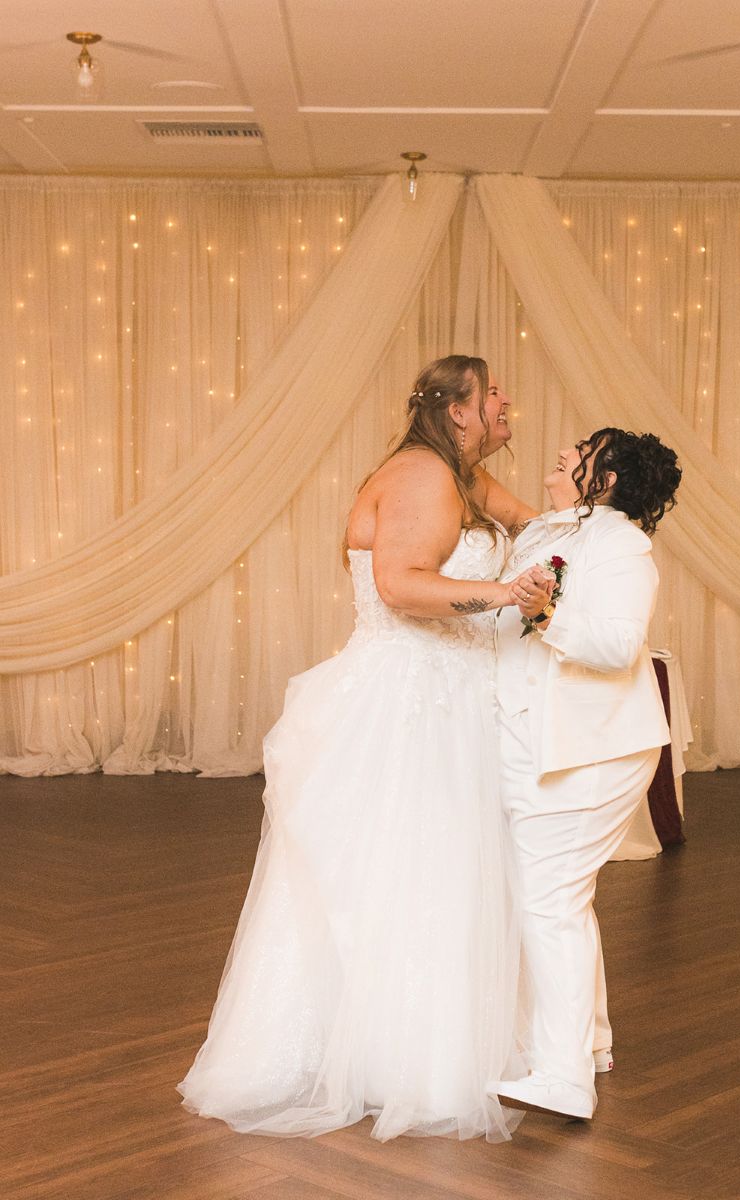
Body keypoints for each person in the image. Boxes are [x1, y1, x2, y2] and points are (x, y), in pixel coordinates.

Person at [178, 355, 536, 1143]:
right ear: (460, 411)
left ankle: (433, 1047)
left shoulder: (462, 477)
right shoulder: (419, 477)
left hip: (455, 693)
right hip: (409, 700)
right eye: (494, 394)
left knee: (445, 871)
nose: (509, 403)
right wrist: (508, 594)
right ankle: (397, 1062)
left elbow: (533, 526)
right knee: (407, 871)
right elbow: (403, 586)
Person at [489, 428, 682, 1120]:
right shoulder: (554, 528)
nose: (564, 451)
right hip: (546, 741)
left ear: (605, 479)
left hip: (590, 750)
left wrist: (546, 611)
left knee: (548, 902)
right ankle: (591, 1044)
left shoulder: (624, 546)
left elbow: (615, 643)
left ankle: (564, 1076)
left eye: (583, 449)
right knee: (560, 899)